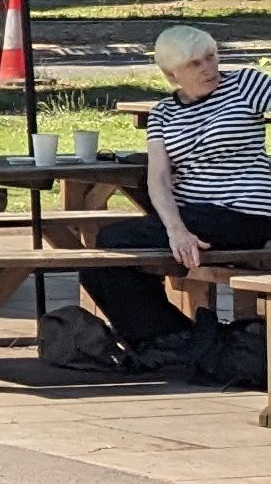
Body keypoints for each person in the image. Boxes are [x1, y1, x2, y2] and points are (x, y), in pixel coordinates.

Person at [82, 23, 271, 358]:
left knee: (112, 242)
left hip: (247, 209)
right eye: (194, 64)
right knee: (98, 263)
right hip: (194, 215)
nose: (209, 68)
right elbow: (157, 178)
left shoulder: (246, 84)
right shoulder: (163, 114)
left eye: (210, 57)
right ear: (172, 75)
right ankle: (173, 338)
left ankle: (172, 340)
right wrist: (175, 229)